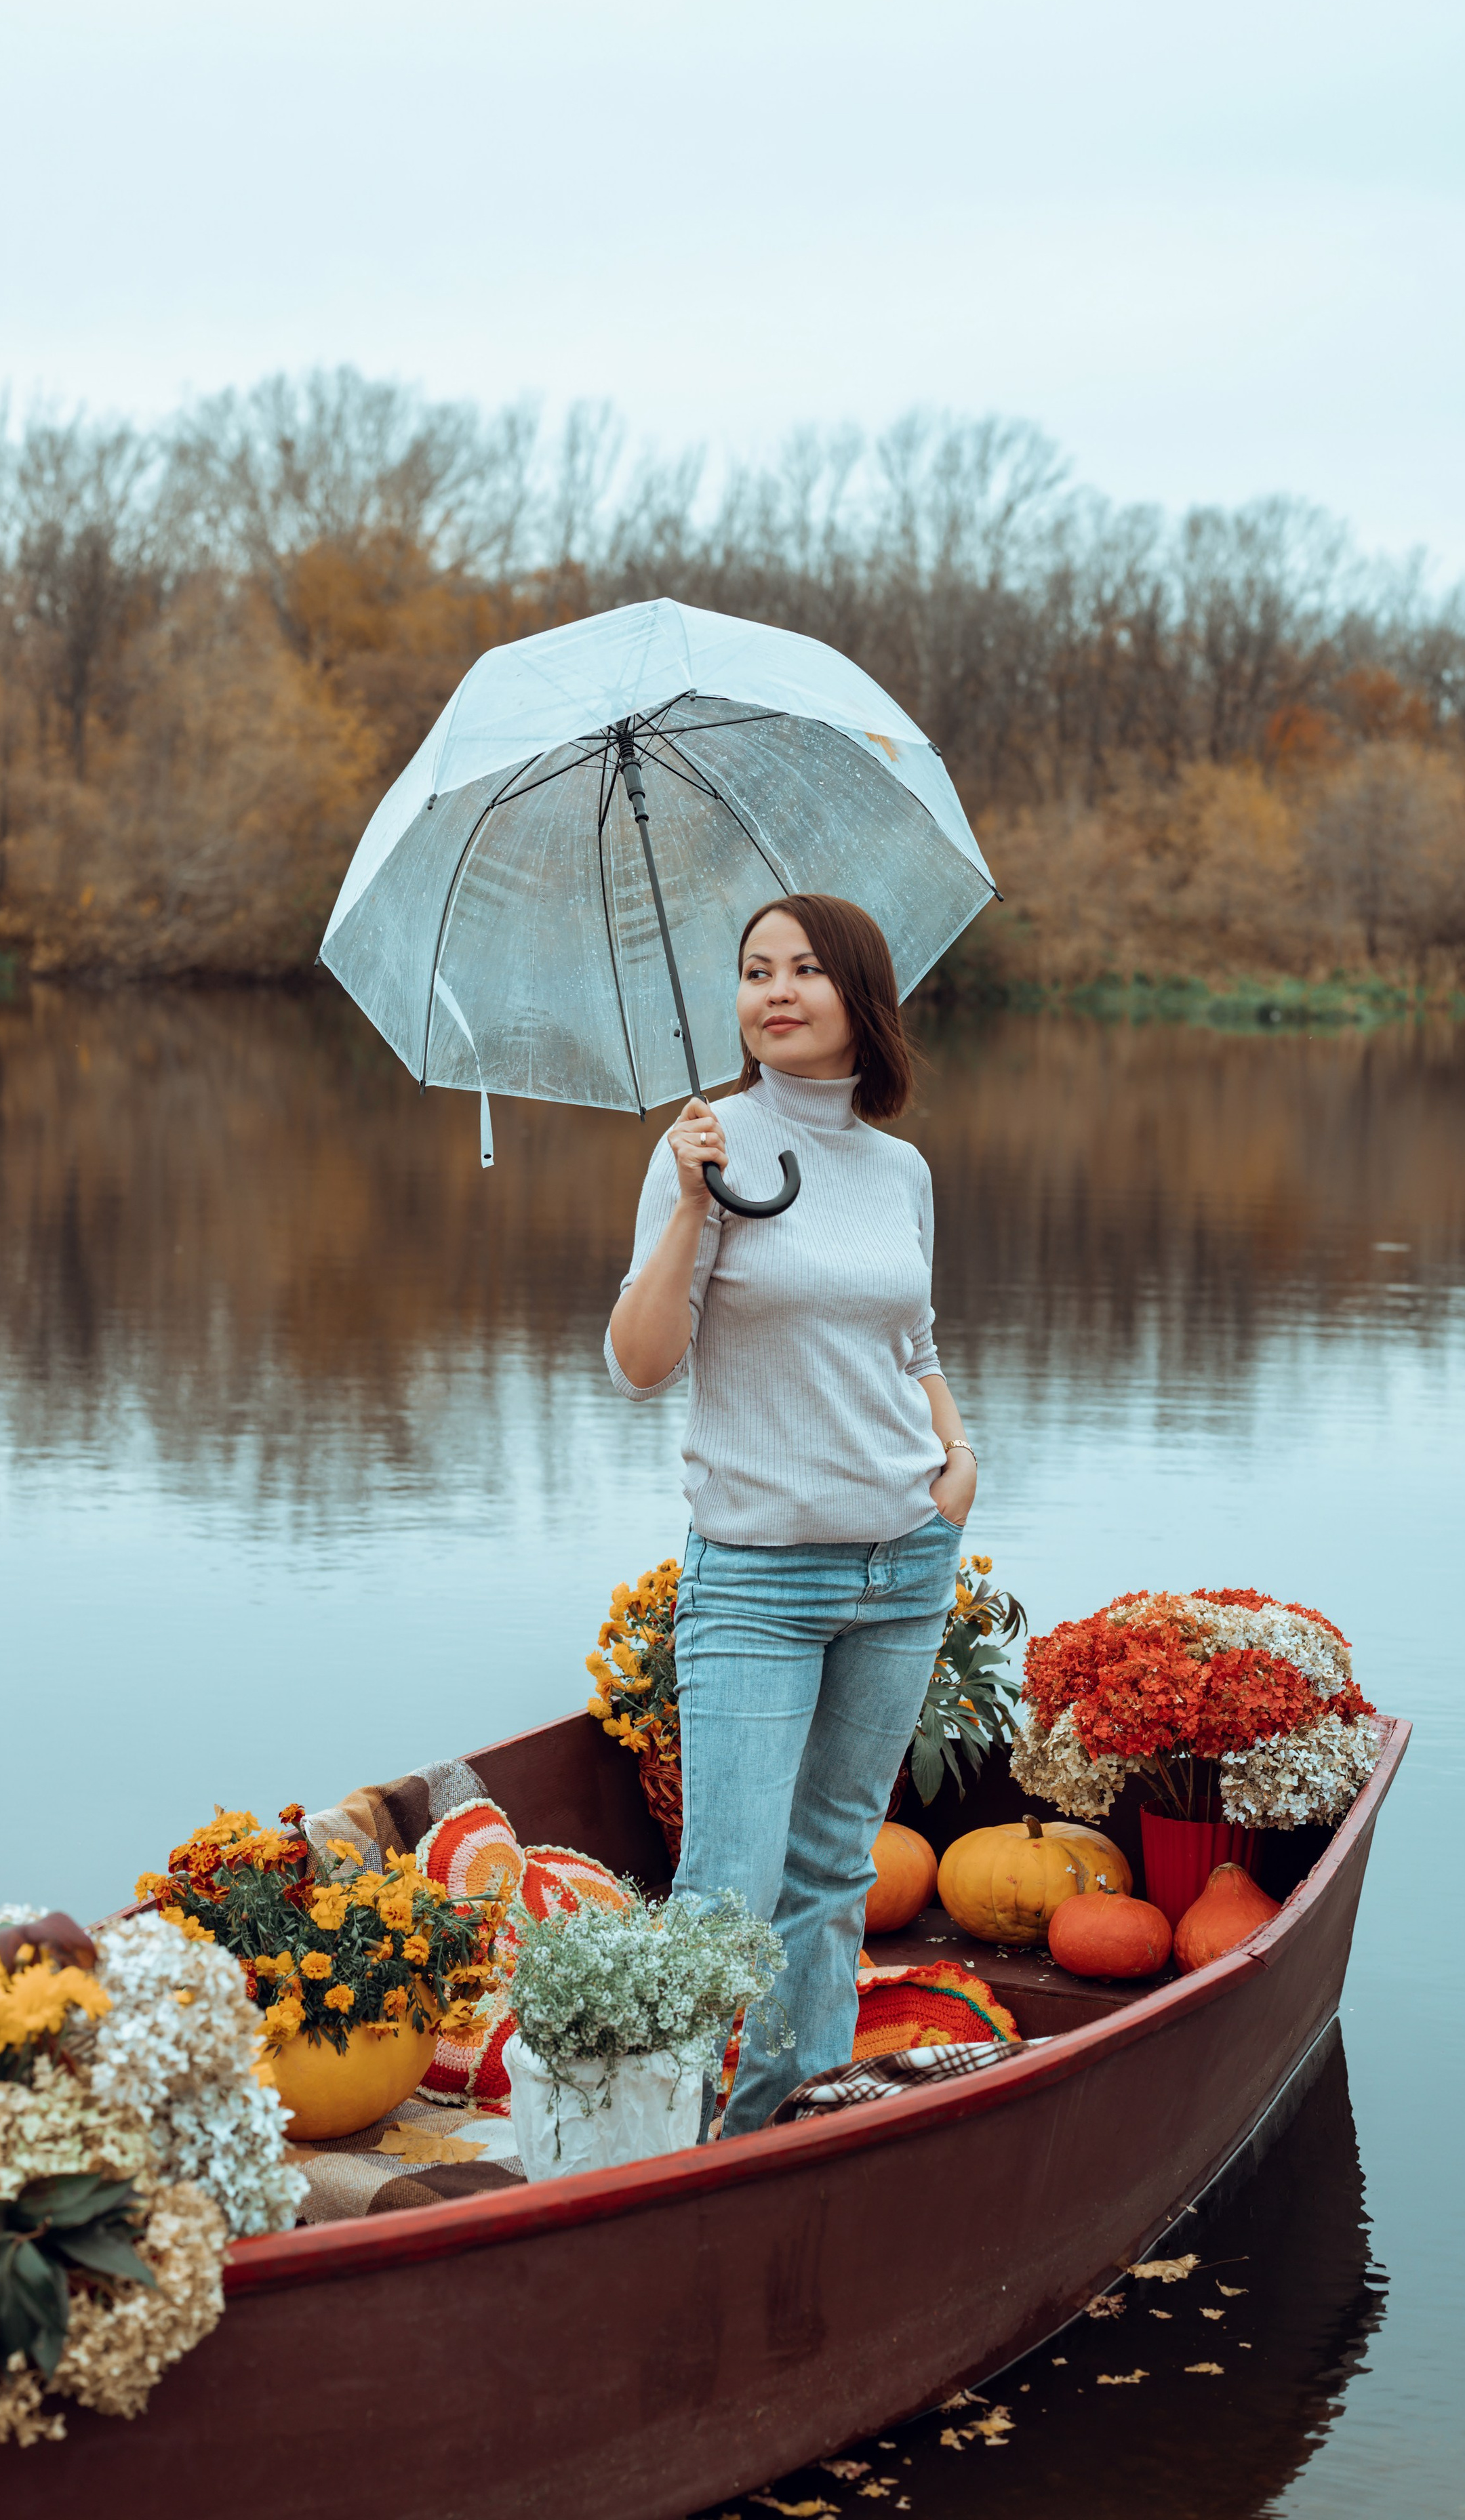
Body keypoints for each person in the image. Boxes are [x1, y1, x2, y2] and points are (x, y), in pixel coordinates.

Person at [605, 892, 975, 2132]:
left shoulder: (898, 1168)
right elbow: (642, 1362)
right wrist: (697, 1204)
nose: (776, 990)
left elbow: (910, 1334)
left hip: (904, 1562)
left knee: (830, 1873)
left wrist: (956, 1453)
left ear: (859, 996)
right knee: (725, 1890)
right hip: (758, 1577)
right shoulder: (703, 1148)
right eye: (757, 969)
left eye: (807, 969)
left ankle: (793, 2118)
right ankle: (657, 2140)